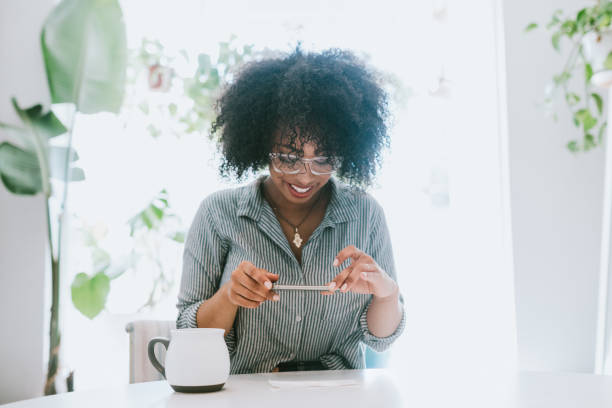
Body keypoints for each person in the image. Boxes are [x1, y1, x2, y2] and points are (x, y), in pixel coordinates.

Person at [176, 47, 405, 374]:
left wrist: (386, 293)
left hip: (341, 397)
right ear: (259, 144)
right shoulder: (218, 213)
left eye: (323, 159)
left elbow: (382, 339)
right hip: (246, 398)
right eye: (288, 157)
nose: (305, 175)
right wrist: (229, 296)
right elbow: (188, 335)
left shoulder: (365, 213)